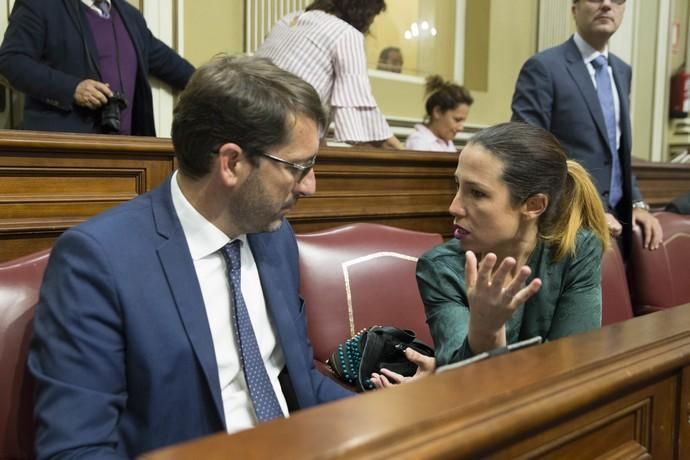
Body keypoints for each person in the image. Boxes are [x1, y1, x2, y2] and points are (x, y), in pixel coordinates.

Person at [29, 54, 353, 459]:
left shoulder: (275, 238)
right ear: (231, 163)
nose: (310, 187)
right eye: (298, 167)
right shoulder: (98, 262)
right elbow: (76, 450)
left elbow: (296, 378)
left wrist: (387, 416)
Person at [371, 122, 610, 386]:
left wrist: (444, 375)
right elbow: (467, 378)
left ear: (534, 205)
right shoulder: (441, 266)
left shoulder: (576, 249)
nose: (454, 206)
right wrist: (486, 333)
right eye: (458, 186)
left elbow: (572, 365)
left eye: (477, 193)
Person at [511, 0, 662, 254]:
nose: (606, 5)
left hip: (620, 224)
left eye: (617, 0)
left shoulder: (622, 71)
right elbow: (529, 154)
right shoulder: (544, 67)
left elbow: (616, 153)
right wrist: (589, 210)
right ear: (574, 8)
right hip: (568, 226)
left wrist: (638, 203)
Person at [0, 0, 195, 135]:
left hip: (131, 156)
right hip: (63, 153)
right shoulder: (41, 5)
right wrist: (73, 89)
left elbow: (170, 65)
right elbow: (11, 60)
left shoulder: (131, 17)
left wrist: (213, 85)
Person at [256, 0, 402, 149]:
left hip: (248, 119)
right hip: (283, 135)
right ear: (363, 13)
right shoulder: (346, 34)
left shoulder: (287, 20)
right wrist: (403, 152)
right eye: (373, 16)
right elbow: (360, 111)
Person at [405, 75, 473, 152]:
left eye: (463, 121)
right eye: (457, 120)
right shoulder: (419, 142)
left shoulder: (448, 142)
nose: (461, 128)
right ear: (437, 112)